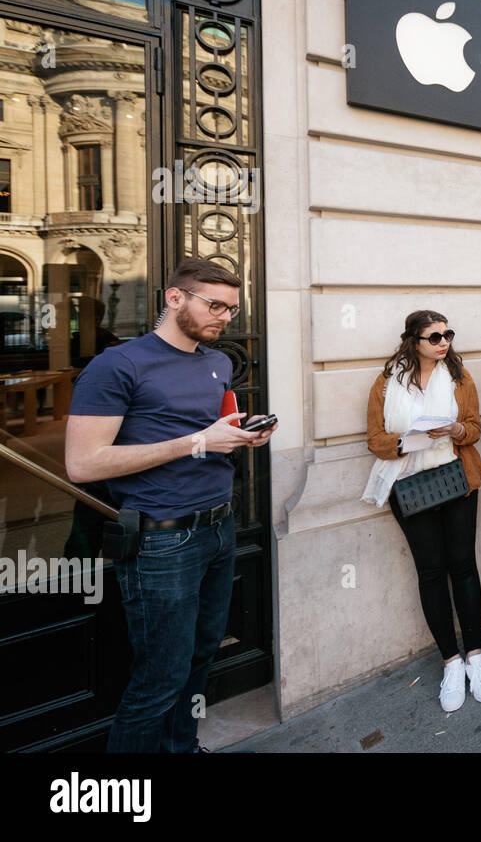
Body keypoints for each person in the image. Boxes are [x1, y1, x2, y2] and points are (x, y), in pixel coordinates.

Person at [64, 258, 276, 752]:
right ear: (174, 298)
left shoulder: (217, 362)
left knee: (202, 656)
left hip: (219, 528)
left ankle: (183, 748)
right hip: (162, 539)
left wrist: (243, 435)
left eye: (232, 309)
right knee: (160, 677)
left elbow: (213, 434)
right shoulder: (118, 364)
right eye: (215, 305)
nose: (226, 317)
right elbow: (83, 464)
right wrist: (197, 442)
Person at [362, 310, 481, 712]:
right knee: (431, 572)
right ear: (413, 341)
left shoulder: (459, 377)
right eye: (434, 337)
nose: (443, 342)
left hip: (454, 479)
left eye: (447, 334)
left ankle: (476, 656)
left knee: (463, 566)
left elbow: (473, 427)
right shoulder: (387, 383)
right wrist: (406, 441)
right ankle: (451, 662)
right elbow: (374, 439)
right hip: (409, 486)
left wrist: (455, 430)